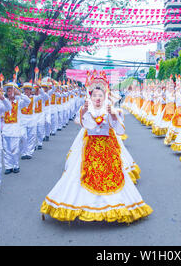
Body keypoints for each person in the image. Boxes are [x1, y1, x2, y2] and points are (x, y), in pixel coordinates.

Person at [40, 71, 152, 223]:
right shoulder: (85, 110)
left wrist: (113, 116)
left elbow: (120, 130)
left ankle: (116, 207)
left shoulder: (113, 110)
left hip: (108, 149)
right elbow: (86, 126)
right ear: (90, 97)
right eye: (94, 95)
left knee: (113, 177)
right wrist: (86, 112)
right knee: (78, 175)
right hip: (89, 148)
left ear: (105, 96)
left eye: (100, 95)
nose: (97, 98)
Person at [2, 82, 31, 175]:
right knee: (6, 149)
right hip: (5, 129)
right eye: (9, 91)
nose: (10, 93)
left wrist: (20, 94)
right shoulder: (2, 102)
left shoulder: (19, 103)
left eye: (12, 91)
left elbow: (28, 101)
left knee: (14, 149)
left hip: (15, 129)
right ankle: (8, 166)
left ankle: (15, 165)